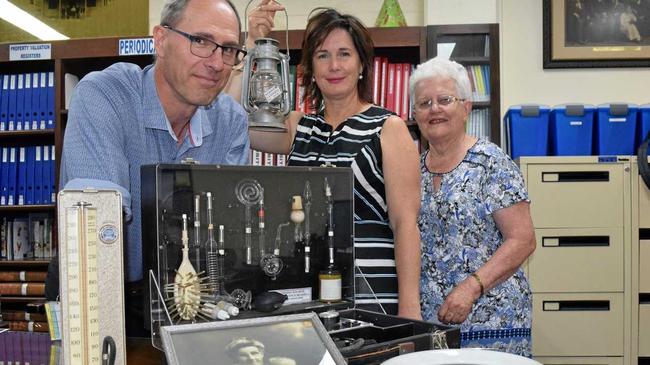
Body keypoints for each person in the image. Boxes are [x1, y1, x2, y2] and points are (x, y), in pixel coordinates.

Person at [57, 0, 250, 333]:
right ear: (160, 40)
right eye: (201, 41)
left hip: (190, 298)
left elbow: (227, 231)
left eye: (229, 49)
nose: (217, 62)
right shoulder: (105, 95)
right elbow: (99, 229)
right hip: (102, 290)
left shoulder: (231, 121)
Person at [230, 3, 421, 319]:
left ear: (361, 64)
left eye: (344, 54)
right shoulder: (297, 126)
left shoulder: (389, 127)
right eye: (323, 55)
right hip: (306, 284)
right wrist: (252, 44)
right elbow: (226, 116)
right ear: (310, 70)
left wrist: (409, 308)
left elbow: (405, 226)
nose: (334, 65)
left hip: (372, 288)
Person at [410, 57, 536, 356]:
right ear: (414, 115)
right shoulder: (414, 171)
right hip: (434, 326)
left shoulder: (490, 162)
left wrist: (471, 288)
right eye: (424, 103)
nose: (434, 109)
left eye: (445, 100)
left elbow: (523, 240)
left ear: (466, 107)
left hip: (494, 323)